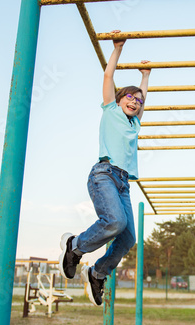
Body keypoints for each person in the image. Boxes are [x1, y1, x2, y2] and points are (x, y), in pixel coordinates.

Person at [58, 30, 151, 306]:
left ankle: (97, 273)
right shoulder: (110, 109)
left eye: (139, 101)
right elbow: (108, 77)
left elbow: (144, 95)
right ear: (121, 98)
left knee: (128, 238)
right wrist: (118, 49)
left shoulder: (135, 123)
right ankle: (75, 247)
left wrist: (145, 77)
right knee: (115, 222)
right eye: (130, 98)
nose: (135, 102)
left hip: (123, 183)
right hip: (104, 174)